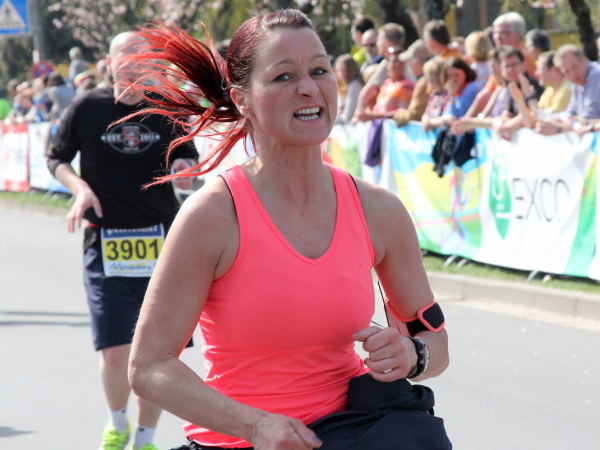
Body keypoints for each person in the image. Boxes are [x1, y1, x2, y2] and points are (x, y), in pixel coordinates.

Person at [125, 9, 451, 450]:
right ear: (243, 100)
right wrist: (255, 425)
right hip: (241, 441)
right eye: (283, 77)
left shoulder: (379, 210)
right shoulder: (213, 216)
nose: (309, 88)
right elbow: (149, 367)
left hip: (355, 430)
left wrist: (413, 355)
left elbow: (435, 342)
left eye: (319, 70)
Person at [46, 31, 199, 450]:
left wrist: (184, 169)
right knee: (116, 351)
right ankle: (117, 425)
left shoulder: (167, 108)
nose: (134, 62)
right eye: (125, 56)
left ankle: (146, 439)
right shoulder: (87, 107)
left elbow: (188, 157)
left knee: (160, 353)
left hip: (164, 246)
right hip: (105, 243)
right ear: (109, 63)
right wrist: (80, 189)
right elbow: (56, 158)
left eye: (142, 56)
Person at [536, 44, 600, 136]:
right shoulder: (578, 81)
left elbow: (589, 117)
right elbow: (570, 113)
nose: (572, 74)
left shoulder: (595, 75)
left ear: (585, 60)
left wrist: (559, 128)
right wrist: (556, 120)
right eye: (567, 71)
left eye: (574, 67)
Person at [354, 46, 414, 122]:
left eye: (401, 62)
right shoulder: (386, 83)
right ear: (387, 64)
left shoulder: (406, 86)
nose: (398, 65)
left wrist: (375, 116)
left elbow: (404, 112)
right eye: (394, 61)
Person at [393, 38, 431, 127]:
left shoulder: (424, 82)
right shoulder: (425, 80)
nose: (407, 64)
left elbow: (414, 114)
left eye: (409, 60)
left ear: (418, 60)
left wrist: (397, 115)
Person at [334, 54, 364, 123]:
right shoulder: (341, 84)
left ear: (352, 70)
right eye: (339, 70)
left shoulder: (355, 84)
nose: (341, 74)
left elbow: (348, 116)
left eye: (345, 70)